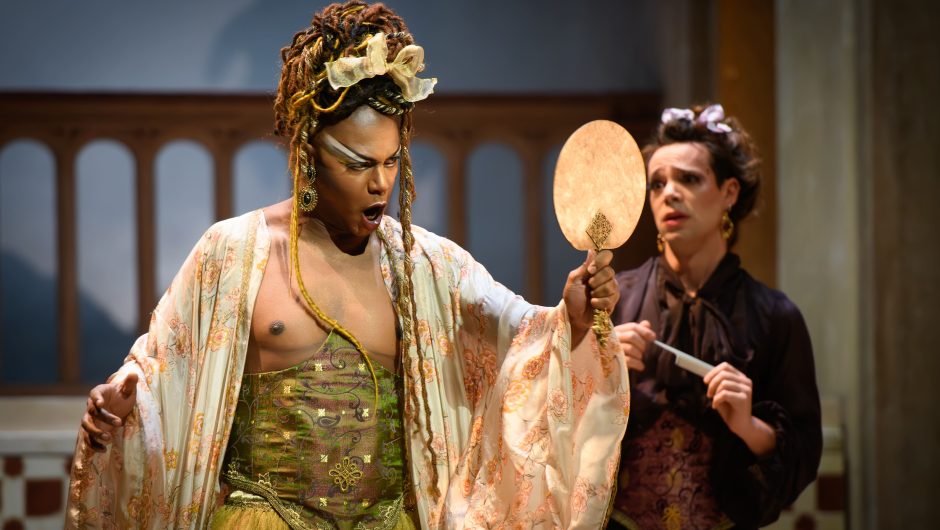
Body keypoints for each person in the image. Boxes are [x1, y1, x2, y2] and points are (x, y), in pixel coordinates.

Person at [66, 2, 629, 529]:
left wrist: (573, 319)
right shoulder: (233, 254)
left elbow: (523, 337)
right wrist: (122, 403)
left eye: (391, 161)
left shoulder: (426, 266)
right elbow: (162, 370)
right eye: (358, 164)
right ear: (307, 154)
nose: (380, 183)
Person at [608, 104, 822, 529]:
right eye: (657, 183)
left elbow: (803, 453)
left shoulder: (775, 317)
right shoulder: (613, 300)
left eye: (689, 179)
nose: (669, 193)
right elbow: (558, 428)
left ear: (729, 192)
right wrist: (594, 370)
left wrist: (749, 425)